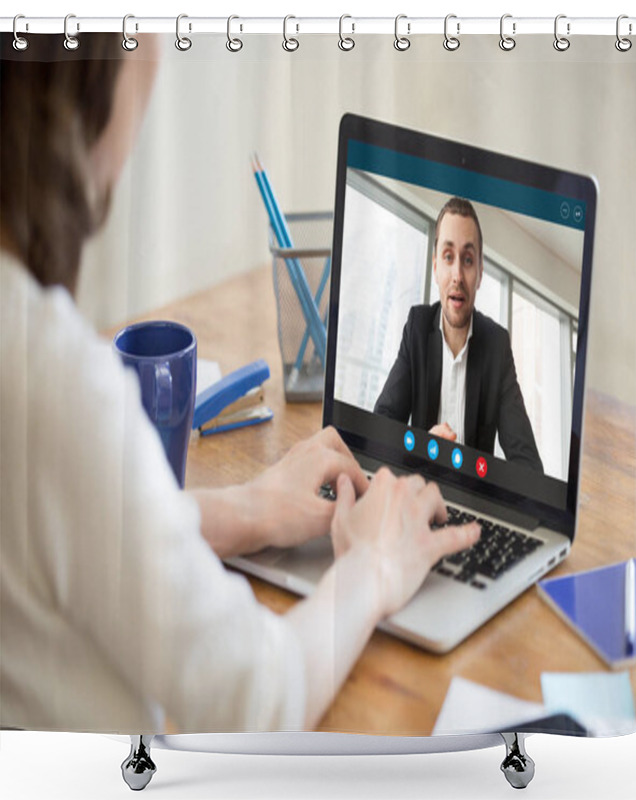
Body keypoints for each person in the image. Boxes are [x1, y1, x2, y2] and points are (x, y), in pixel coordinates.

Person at [0, 34, 479, 734]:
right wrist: (373, 565)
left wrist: (240, 509)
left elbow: (56, 530)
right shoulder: (47, 378)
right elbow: (257, 698)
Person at [374, 197, 544, 473]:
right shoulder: (417, 328)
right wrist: (422, 448)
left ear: (479, 273)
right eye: (448, 257)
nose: (457, 276)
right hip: (417, 488)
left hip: (474, 502)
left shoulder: (497, 346)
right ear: (435, 267)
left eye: (467, 260)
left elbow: (529, 466)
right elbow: (380, 426)